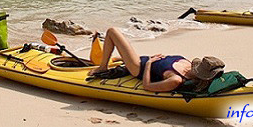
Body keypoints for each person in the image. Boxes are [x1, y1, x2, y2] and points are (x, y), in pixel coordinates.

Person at [88, 27, 224, 92]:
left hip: (138, 67)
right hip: (145, 59)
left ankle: (103, 67)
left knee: (112, 31)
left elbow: (147, 86)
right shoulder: (187, 63)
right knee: (116, 42)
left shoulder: (176, 79)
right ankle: (117, 58)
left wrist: (148, 64)